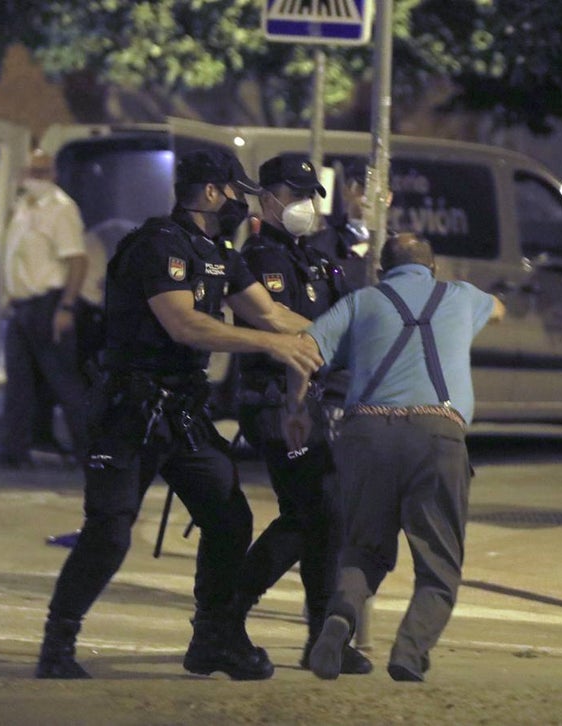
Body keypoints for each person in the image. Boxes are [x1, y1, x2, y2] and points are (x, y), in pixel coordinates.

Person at [34, 149, 323, 681]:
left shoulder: (219, 252)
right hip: (130, 410)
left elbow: (273, 313)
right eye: (237, 191)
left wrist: (339, 339)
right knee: (110, 534)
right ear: (212, 192)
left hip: (183, 412)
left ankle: (213, 638)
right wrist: (272, 346)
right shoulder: (157, 245)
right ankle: (58, 642)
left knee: (229, 518)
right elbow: (184, 325)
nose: (243, 202)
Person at [283, 232, 505, 682]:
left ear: (382, 271)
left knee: (363, 550)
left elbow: (303, 349)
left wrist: (296, 411)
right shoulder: (460, 295)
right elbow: (499, 308)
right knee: (438, 564)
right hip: (436, 434)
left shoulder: (362, 301)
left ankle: (338, 622)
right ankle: (409, 651)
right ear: (434, 268)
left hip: (365, 436)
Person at [232, 155, 371, 675]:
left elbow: (346, 320)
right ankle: (225, 614)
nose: (306, 205)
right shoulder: (260, 259)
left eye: (312, 194)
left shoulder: (315, 259)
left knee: (324, 517)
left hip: (314, 405)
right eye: (295, 194)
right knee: (312, 512)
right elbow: (290, 333)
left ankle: (319, 637)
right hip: (278, 405)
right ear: (267, 198)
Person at [0, 148, 91, 469]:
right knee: (18, 384)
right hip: (21, 307)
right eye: (32, 172)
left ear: (54, 175)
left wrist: (67, 307)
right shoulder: (22, 207)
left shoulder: (61, 209)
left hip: (49, 304)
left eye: (43, 172)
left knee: (64, 382)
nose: (37, 179)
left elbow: (77, 261)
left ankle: (90, 455)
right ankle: (14, 451)